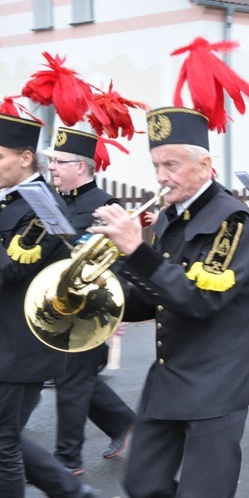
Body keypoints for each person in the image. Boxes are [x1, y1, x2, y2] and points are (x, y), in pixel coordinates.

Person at [91, 106, 249, 497]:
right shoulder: (171, 217)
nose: (161, 177)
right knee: (140, 482)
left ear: (204, 165)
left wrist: (137, 251)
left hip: (217, 382)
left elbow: (200, 300)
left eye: (172, 164)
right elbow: (157, 300)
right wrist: (105, 296)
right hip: (169, 378)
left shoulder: (232, 220)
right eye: (156, 165)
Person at [0, 112, 96, 498]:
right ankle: (68, 489)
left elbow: (10, 268)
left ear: (25, 158)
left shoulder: (44, 207)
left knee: (3, 444)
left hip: (20, 345)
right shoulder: (13, 200)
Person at [44, 127, 137, 475]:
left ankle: (67, 460)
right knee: (75, 378)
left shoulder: (106, 205)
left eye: (58, 162)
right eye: (51, 161)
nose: (52, 167)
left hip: (88, 309)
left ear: (80, 168)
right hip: (56, 305)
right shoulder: (52, 200)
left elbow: (123, 262)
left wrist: (117, 309)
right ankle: (125, 425)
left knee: (71, 380)